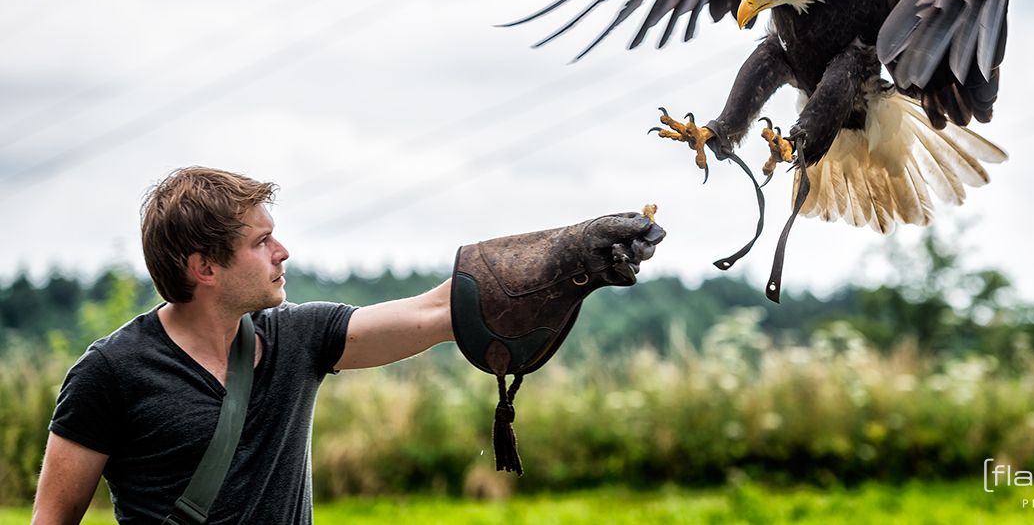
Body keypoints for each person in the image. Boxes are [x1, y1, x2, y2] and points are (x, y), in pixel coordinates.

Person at [31, 166, 663, 524]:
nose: (283, 252)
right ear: (204, 267)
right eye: (261, 242)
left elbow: (441, 309)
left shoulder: (298, 338)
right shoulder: (110, 372)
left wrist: (573, 253)